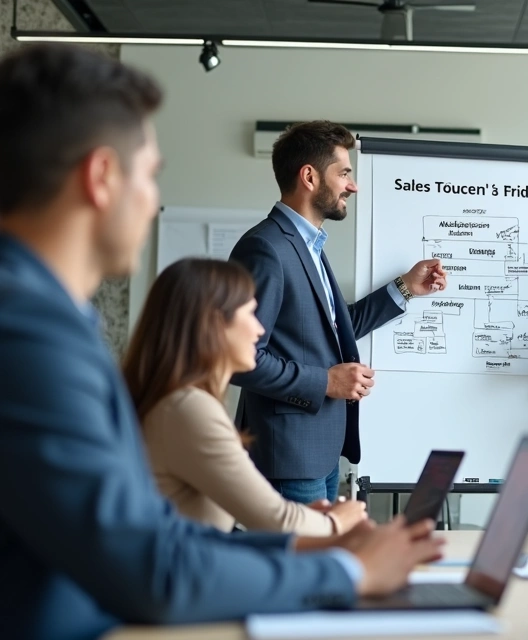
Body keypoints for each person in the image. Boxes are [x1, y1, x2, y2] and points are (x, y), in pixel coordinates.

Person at [0, 43, 442, 639]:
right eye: (150, 174)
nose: (155, 200)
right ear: (102, 177)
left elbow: (158, 533)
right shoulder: (29, 334)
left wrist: (321, 553)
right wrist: (343, 569)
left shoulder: (54, 320)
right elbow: (151, 567)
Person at [227, 120, 447, 504]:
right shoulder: (266, 249)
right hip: (289, 459)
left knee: (321, 558)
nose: (353, 185)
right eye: (344, 173)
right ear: (309, 177)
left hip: (322, 454)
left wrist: (405, 288)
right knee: (303, 563)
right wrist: (325, 383)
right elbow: (239, 360)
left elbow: (328, 331)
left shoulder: (307, 246)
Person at [125, 258, 369, 536]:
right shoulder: (189, 410)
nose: (261, 329)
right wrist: (341, 520)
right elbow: (277, 520)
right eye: (251, 314)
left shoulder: (181, 402)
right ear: (216, 324)